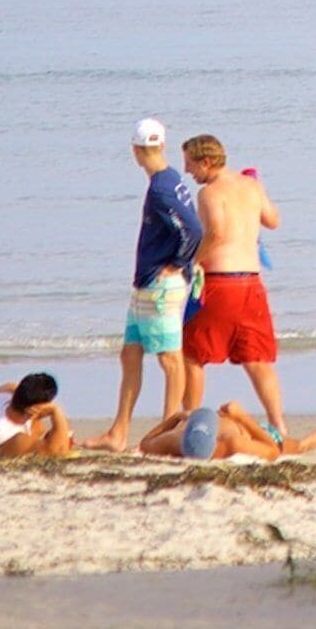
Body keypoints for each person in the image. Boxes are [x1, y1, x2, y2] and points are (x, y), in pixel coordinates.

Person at [177, 133, 290, 441]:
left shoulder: (210, 193)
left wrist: (191, 263)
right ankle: (278, 424)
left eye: (190, 164)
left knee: (192, 354)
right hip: (251, 283)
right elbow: (273, 220)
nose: (188, 172)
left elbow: (216, 234)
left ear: (207, 162)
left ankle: (188, 419)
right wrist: (259, 188)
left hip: (221, 283)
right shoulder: (251, 186)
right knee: (257, 359)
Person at [101, 115, 204, 450]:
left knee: (170, 360)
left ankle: (167, 430)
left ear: (135, 150)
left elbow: (193, 229)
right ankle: (118, 432)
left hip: (160, 288)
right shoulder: (169, 178)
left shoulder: (162, 187)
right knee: (130, 354)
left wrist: (177, 262)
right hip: (144, 285)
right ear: (161, 145)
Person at [135, 399, 316, 461]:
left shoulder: (176, 439)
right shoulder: (231, 442)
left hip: (197, 438)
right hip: (251, 431)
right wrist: (242, 417)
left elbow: (145, 443)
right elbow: (273, 452)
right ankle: (305, 444)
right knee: (283, 443)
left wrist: (176, 417)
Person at [0, 371, 77, 460]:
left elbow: (13, 389)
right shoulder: (17, 438)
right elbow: (58, 452)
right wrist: (55, 410)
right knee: (39, 431)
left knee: (37, 427)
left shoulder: (8, 390)